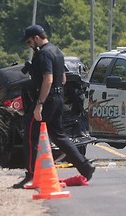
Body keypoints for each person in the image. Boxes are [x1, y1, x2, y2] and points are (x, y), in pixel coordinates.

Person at [13, 24, 95, 189]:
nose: (28, 45)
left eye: (29, 41)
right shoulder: (57, 51)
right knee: (59, 136)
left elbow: (48, 79)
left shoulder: (44, 54)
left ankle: (31, 175)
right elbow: (63, 79)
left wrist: (39, 104)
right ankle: (85, 166)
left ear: (36, 38)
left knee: (30, 136)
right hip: (57, 98)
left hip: (46, 100)